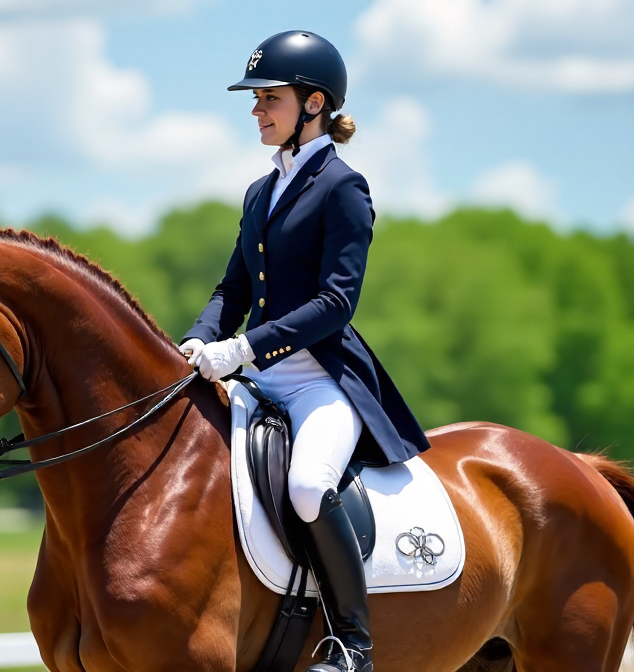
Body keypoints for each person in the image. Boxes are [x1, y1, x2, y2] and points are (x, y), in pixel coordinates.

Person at [179, 30, 431, 672]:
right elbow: (233, 288)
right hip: (257, 381)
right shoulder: (260, 191)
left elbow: (336, 302)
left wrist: (244, 347)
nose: (257, 110)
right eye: (256, 98)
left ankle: (353, 644)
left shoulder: (343, 187)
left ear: (313, 103)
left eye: (270, 98)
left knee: (308, 485)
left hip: (320, 380)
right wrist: (199, 337)